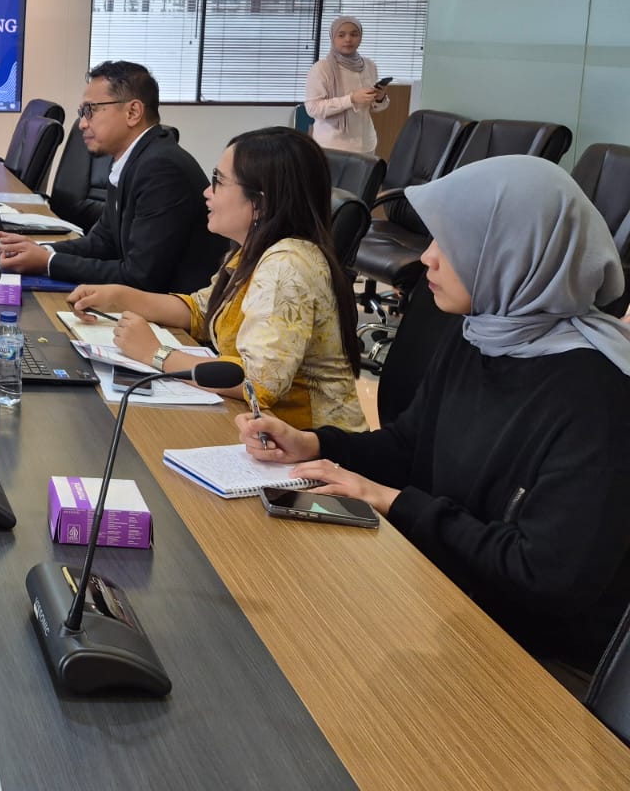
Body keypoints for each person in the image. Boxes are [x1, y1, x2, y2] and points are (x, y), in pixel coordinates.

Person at [234, 155, 630, 674]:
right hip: (444, 593)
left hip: (537, 659)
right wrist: (316, 443)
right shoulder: (480, 333)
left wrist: (391, 501)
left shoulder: (600, 397)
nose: (427, 257)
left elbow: (542, 576)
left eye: (451, 242)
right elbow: (409, 446)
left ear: (512, 254)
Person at [70, 126, 364, 430]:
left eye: (219, 182)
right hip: (262, 429)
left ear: (260, 204)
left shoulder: (287, 265)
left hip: (310, 442)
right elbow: (202, 310)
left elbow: (259, 383)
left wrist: (155, 353)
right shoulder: (255, 249)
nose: (207, 192)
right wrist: (118, 297)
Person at [0, 61, 225, 292]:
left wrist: (48, 263)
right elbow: (103, 242)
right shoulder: (133, 158)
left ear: (133, 112)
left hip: (173, 308)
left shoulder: (161, 168)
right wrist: (43, 250)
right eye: (82, 113)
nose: (82, 124)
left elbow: (139, 277)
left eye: (90, 110)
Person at [304, 16, 388, 154]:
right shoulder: (321, 68)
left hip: (366, 143)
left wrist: (380, 98)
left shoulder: (369, 66)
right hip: (333, 146)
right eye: (341, 35)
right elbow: (313, 108)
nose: (348, 39)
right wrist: (351, 99)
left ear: (360, 37)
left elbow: (373, 107)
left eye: (354, 34)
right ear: (333, 38)